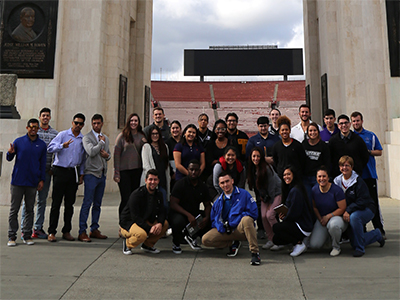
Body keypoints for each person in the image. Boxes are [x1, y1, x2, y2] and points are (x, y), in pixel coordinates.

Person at [202, 172, 261, 266]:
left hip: (240, 229)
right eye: (222, 183)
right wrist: (221, 226)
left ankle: (255, 253)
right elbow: (214, 220)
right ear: (219, 185)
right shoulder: (218, 201)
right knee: (206, 239)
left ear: (232, 181)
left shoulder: (244, 194)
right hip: (226, 231)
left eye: (227, 181)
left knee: (247, 220)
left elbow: (254, 213)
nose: (225, 185)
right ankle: (232, 242)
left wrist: (235, 221)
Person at [333, 156, 385, 257]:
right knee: (354, 241)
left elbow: (363, 200)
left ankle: (360, 249)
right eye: (342, 165)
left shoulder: (358, 181)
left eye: (347, 165)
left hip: (367, 209)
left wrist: (348, 210)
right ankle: (376, 234)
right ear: (339, 167)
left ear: (352, 167)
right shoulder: (337, 181)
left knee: (354, 217)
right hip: (350, 211)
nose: (345, 168)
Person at [6, 119, 47, 246]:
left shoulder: (41, 145)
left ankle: (27, 235)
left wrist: (41, 180)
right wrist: (10, 153)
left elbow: (43, 163)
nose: (33, 129)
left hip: (32, 182)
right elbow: (9, 158)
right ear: (27, 128)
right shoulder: (19, 142)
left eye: (35, 127)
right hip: (18, 181)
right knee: (14, 209)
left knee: (29, 209)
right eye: (31, 127)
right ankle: (12, 236)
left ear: (38, 128)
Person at [47, 113, 87, 242]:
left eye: (81, 124)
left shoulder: (82, 139)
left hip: (73, 172)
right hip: (60, 170)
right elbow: (50, 148)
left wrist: (81, 174)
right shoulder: (63, 135)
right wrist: (61, 146)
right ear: (72, 122)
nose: (78, 126)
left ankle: (67, 230)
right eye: (76, 123)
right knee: (56, 203)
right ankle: (52, 231)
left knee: (69, 204)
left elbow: (83, 159)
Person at [20, 108, 58, 239]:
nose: (45, 117)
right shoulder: (34, 132)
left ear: (50, 117)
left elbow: (56, 153)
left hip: (46, 171)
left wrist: (52, 168)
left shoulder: (55, 134)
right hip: (32, 172)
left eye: (48, 115)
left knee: (42, 200)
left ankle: (38, 227)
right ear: (40, 117)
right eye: (43, 115)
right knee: (28, 201)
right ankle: (25, 228)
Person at [351, 111, 386, 238]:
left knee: (373, 203)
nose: (356, 123)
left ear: (362, 121)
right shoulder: (350, 137)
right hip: (356, 177)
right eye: (354, 121)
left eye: (358, 120)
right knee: (358, 204)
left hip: (370, 175)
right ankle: (362, 230)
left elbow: (379, 151)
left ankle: (379, 229)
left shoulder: (370, 135)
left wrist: (367, 152)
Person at [119, 169, 169, 255]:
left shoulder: (159, 194)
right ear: (146, 180)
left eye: (155, 179)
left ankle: (147, 245)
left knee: (164, 224)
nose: (152, 182)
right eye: (150, 179)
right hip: (129, 222)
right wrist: (149, 228)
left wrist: (159, 223)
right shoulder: (137, 194)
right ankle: (128, 243)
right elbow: (135, 217)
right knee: (142, 235)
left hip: (144, 220)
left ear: (158, 181)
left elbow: (162, 212)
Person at [78, 114, 111, 242]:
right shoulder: (87, 138)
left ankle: (94, 228)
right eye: (94, 123)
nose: (96, 125)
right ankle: (82, 231)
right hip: (91, 174)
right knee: (87, 202)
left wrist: (107, 155)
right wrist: (100, 143)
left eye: (98, 123)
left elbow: (107, 155)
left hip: (101, 174)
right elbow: (91, 152)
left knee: (97, 204)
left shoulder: (106, 138)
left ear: (102, 123)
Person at [169, 160, 212, 254]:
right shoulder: (180, 184)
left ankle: (193, 236)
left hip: (194, 213)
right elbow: (173, 203)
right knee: (178, 222)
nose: (193, 172)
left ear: (199, 171)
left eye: (196, 170)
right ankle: (176, 243)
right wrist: (188, 215)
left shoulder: (203, 186)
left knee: (209, 219)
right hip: (180, 212)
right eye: (191, 169)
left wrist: (206, 217)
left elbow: (207, 205)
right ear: (187, 170)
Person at [272, 166, 313, 257]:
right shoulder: (290, 188)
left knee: (276, 227)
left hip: (302, 225)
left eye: (288, 174)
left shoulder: (296, 190)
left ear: (294, 175)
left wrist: (285, 218)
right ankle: (296, 242)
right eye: (284, 175)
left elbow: (295, 213)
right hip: (295, 222)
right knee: (276, 239)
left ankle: (298, 243)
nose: (286, 177)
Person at [247, 147, 282, 251]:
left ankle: (280, 240)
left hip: (276, 193)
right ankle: (271, 239)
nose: (256, 158)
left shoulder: (267, 168)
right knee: (262, 216)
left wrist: (271, 203)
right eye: (254, 156)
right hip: (265, 195)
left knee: (270, 215)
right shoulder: (252, 168)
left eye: (258, 156)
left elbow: (272, 186)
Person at [309, 167, 347, 256]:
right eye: (319, 177)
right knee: (314, 245)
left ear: (328, 177)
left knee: (333, 225)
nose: (321, 179)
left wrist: (328, 216)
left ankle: (336, 247)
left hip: (337, 218)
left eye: (324, 176)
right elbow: (314, 207)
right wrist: (320, 218)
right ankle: (328, 239)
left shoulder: (336, 190)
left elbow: (342, 208)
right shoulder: (314, 190)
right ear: (316, 178)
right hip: (323, 218)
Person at [114, 113, 146, 217]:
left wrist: (145, 143)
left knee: (135, 198)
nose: (133, 123)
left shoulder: (141, 136)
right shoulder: (122, 136)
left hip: (137, 171)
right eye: (132, 120)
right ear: (128, 122)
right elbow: (116, 155)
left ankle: (132, 221)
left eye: (136, 121)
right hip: (124, 172)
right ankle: (122, 222)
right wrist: (116, 173)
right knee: (126, 198)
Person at [141, 125, 170, 208]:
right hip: (152, 182)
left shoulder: (165, 147)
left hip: (163, 180)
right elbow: (146, 165)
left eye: (157, 133)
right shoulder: (146, 147)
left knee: (164, 204)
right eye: (153, 134)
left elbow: (166, 165)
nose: (155, 135)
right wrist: (153, 179)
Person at [302, 122, 330, 204]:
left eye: (315, 130)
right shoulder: (304, 144)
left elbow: (327, 163)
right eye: (310, 131)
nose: (312, 133)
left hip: (318, 178)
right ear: (307, 132)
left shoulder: (324, 146)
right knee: (307, 198)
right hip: (305, 177)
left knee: (317, 198)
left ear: (318, 132)